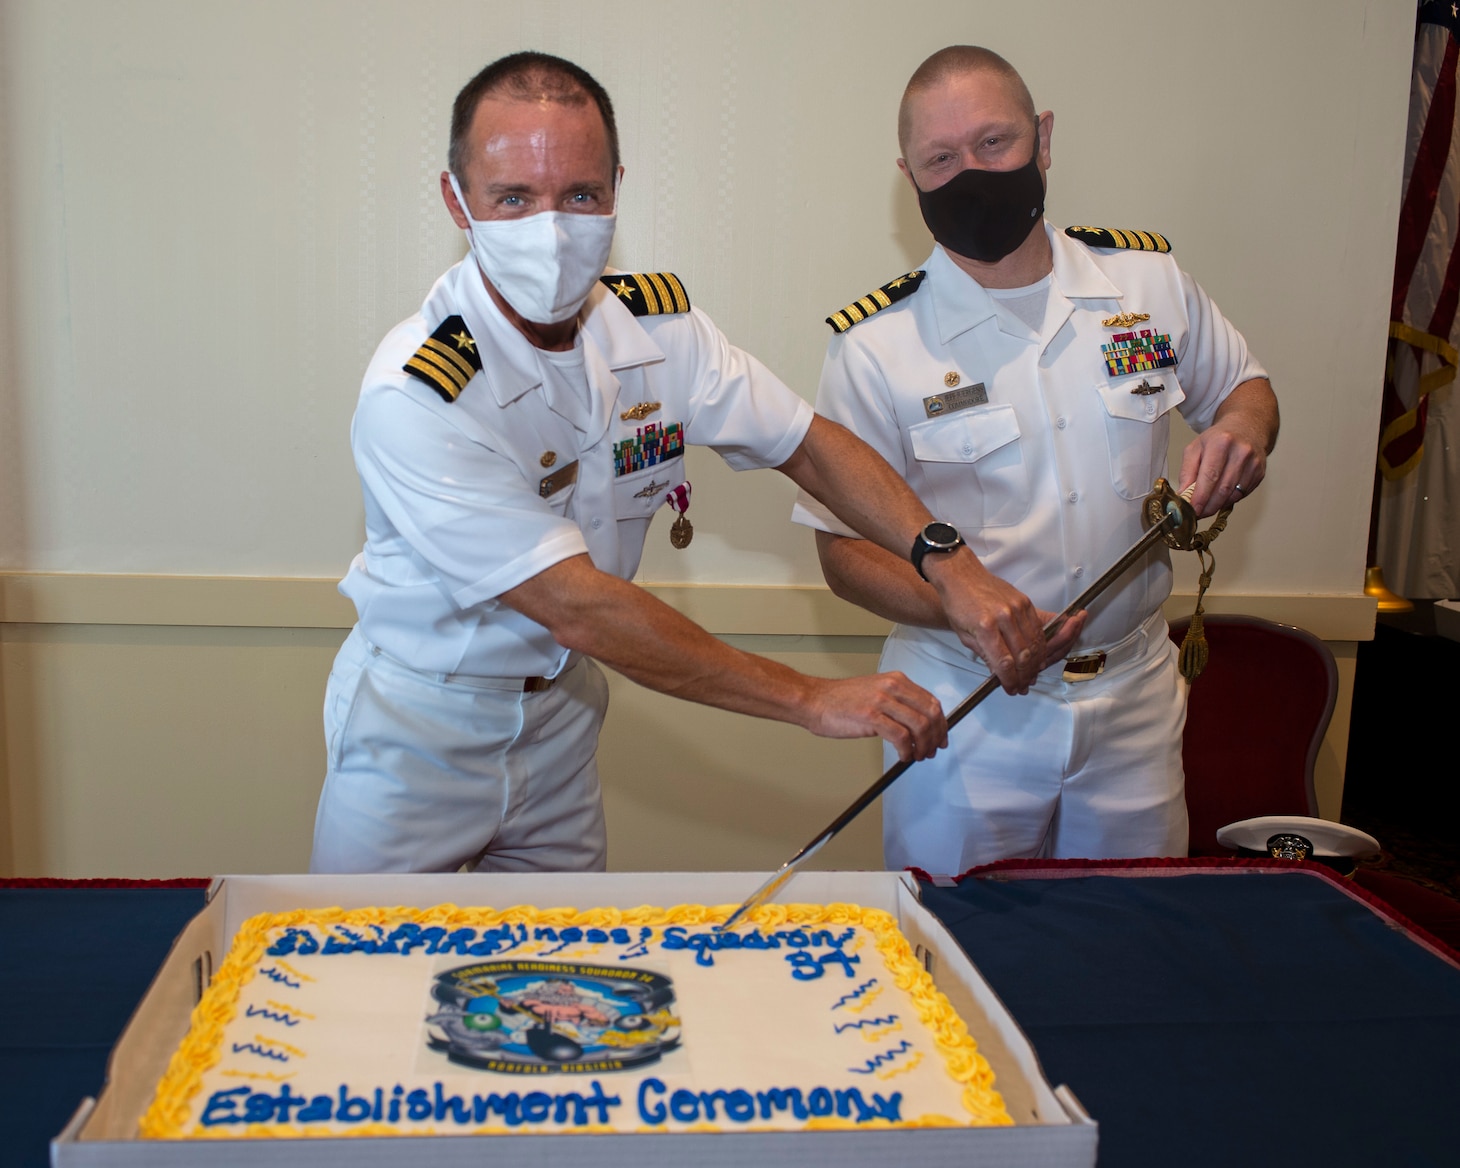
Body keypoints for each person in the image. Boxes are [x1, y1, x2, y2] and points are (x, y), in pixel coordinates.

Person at [310, 51, 1077, 875]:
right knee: (366, 967)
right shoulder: (419, 390)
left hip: (565, 714)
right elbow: (579, 606)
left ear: (616, 190)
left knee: (566, 971)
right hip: (420, 729)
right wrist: (810, 698)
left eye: (580, 194)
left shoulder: (661, 332)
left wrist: (945, 559)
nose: (552, 227)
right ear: (455, 200)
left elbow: (810, 446)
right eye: (512, 198)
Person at [793, 45, 1279, 875]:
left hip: (1133, 695)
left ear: (1043, 138)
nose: (973, 173)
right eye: (942, 159)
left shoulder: (1146, 285)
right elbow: (841, 555)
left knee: (1130, 947)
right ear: (908, 174)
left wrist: (1242, 432)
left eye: (995, 143)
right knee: (954, 955)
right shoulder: (876, 346)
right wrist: (965, 611)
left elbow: (1247, 389)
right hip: (963, 706)